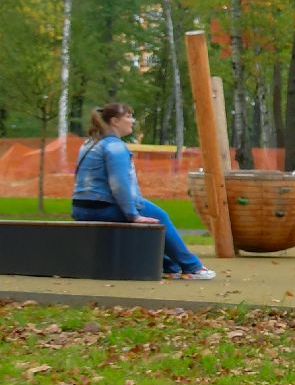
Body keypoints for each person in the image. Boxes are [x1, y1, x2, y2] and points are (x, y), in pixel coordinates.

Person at [72, 103, 217, 280]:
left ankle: (169, 266)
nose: (132, 121)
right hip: (104, 206)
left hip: (81, 208)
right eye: (128, 116)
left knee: (150, 216)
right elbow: (120, 185)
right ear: (115, 121)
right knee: (159, 217)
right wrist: (133, 214)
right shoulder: (115, 147)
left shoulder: (89, 144)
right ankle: (192, 267)